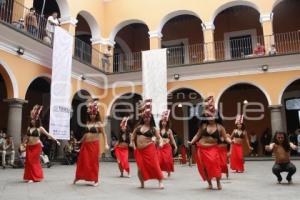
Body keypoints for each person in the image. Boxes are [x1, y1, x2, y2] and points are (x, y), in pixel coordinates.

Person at [189, 96, 232, 190]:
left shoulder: (220, 127)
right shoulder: (203, 126)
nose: (210, 118)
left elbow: (225, 138)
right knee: (204, 167)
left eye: (212, 116)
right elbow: (197, 135)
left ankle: (218, 182)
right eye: (208, 116)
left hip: (213, 149)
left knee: (214, 165)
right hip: (201, 148)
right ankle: (209, 183)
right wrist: (192, 141)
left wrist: (230, 141)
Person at [73, 100, 109, 186]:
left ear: (96, 114)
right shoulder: (88, 123)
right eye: (91, 114)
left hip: (94, 145)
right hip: (85, 145)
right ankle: (77, 177)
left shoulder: (99, 123)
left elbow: (104, 134)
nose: (92, 115)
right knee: (82, 162)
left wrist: (106, 144)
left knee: (93, 163)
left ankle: (95, 180)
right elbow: (86, 134)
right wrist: (79, 141)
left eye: (94, 114)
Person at [131, 99, 164, 189]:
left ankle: (160, 181)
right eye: (145, 117)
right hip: (139, 150)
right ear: (143, 118)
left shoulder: (153, 129)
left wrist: (160, 143)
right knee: (140, 168)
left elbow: (159, 138)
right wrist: (133, 145)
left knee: (154, 165)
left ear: (151, 118)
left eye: (148, 117)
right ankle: (142, 184)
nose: (146, 119)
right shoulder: (138, 127)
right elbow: (133, 136)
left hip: (149, 149)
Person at [23, 105, 60, 183]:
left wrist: (56, 140)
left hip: (36, 146)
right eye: (31, 120)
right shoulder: (29, 128)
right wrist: (23, 143)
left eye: (34, 120)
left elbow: (48, 135)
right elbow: (26, 137)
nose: (32, 121)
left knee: (33, 161)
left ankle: (33, 178)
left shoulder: (40, 128)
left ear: (37, 120)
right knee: (28, 162)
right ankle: (31, 176)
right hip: (29, 146)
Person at [158, 110, 177, 177]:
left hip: (167, 147)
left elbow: (172, 139)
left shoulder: (169, 131)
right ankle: (160, 172)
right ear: (161, 122)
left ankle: (168, 171)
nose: (164, 123)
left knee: (167, 160)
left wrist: (175, 147)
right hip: (160, 147)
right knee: (160, 160)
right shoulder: (158, 130)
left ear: (167, 122)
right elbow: (156, 138)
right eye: (163, 121)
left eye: (165, 121)